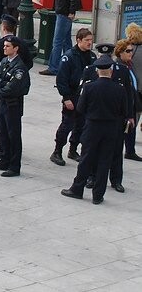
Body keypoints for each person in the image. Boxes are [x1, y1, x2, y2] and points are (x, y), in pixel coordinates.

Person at [60, 55, 127, 205]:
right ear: (111, 71)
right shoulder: (120, 89)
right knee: (105, 161)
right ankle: (98, 195)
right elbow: (124, 110)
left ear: (97, 71)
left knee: (86, 159)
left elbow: (80, 108)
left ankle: (77, 189)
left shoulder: (89, 87)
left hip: (92, 127)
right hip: (111, 128)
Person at [81, 44, 134, 193]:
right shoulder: (90, 70)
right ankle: (92, 177)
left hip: (116, 118)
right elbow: (83, 95)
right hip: (95, 118)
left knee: (117, 150)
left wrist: (130, 115)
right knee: (93, 150)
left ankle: (116, 180)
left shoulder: (122, 71)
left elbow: (128, 95)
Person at [0, 14, 33, 158]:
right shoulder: (22, 44)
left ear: (3, 27)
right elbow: (28, 63)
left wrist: (8, 81)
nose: (5, 48)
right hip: (8, 86)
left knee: (5, 122)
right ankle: (6, 151)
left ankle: (4, 148)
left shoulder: (0, 43)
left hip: (7, 92)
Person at [49, 28, 96, 166]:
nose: (89, 43)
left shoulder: (92, 57)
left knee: (81, 125)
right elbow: (61, 79)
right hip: (72, 96)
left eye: (91, 40)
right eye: (86, 40)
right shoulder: (69, 56)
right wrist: (66, 98)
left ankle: (73, 149)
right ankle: (57, 151)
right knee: (67, 125)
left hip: (85, 98)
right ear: (78, 40)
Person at [0, 36, 30, 177]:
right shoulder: (4, 61)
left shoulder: (19, 67)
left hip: (12, 105)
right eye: (4, 46)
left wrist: (1, 87)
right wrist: (2, 84)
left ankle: (14, 166)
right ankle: (4, 160)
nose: (4, 48)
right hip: (2, 103)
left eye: (7, 46)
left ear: (16, 48)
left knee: (13, 135)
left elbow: (14, 87)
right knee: (3, 133)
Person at [39, 0, 81, 76]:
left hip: (64, 13)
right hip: (64, 12)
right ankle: (70, 65)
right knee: (66, 41)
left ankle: (54, 67)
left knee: (57, 41)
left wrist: (71, 11)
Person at [115, 39, 142, 161]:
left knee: (131, 127)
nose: (131, 53)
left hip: (132, 100)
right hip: (123, 104)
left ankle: (130, 151)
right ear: (120, 53)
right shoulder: (119, 67)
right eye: (128, 51)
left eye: (131, 50)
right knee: (124, 129)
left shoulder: (129, 65)